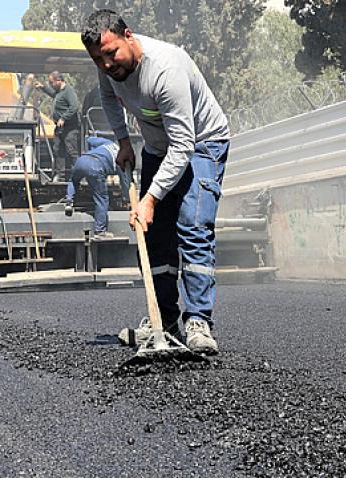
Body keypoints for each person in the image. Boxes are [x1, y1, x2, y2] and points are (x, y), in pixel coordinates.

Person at [82, 10, 231, 355]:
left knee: (192, 227)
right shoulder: (108, 69)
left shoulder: (165, 70)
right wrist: (122, 141)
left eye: (111, 53)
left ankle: (198, 322)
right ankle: (162, 317)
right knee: (154, 234)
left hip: (202, 144)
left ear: (128, 36)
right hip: (157, 146)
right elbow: (108, 97)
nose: (106, 64)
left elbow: (184, 146)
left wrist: (149, 198)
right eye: (98, 59)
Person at [63, 136, 130, 238]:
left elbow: (89, 139)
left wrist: (90, 151)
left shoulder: (109, 143)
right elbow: (124, 181)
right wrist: (127, 198)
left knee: (73, 180)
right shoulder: (123, 158)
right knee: (102, 198)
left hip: (82, 160)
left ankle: (69, 202)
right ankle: (100, 231)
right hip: (96, 167)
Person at [35, 71, 81, 182]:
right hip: (59, 128)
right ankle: (60, 174)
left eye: (51, 82)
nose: (51, 84)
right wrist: (43, 87)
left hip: (70, 127)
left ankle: (79, 174)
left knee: (71, 150)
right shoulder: (58, 92)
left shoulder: (68, 91)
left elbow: (75, 106)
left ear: (59, 81)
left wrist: (64, 118)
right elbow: (53, 94)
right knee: (58, 149)